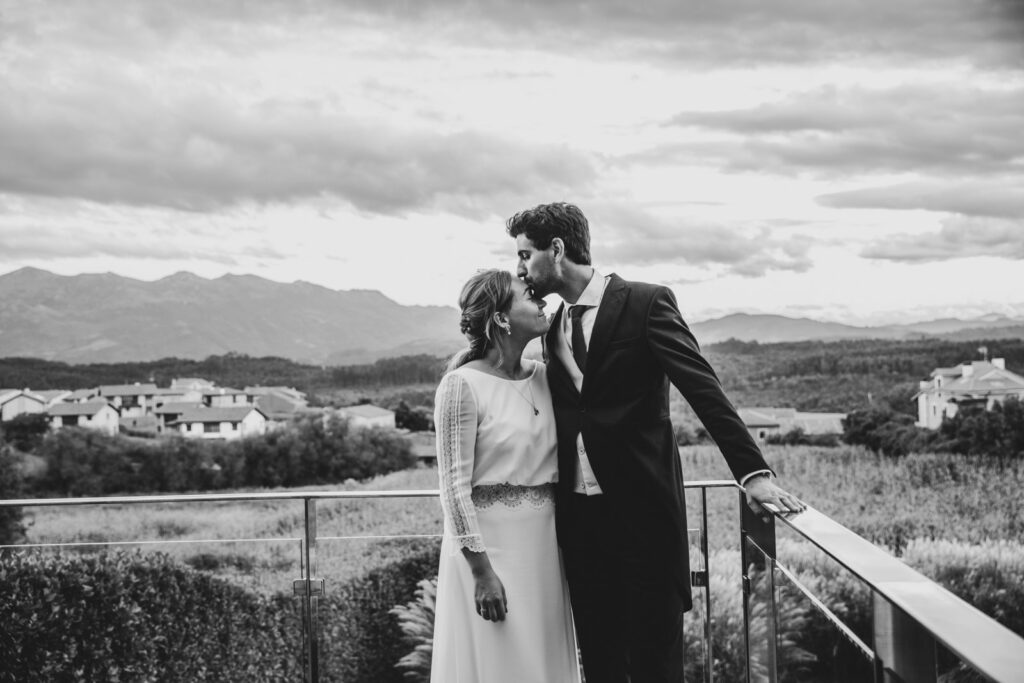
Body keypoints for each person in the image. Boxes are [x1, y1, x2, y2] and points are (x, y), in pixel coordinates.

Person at [507, 202, 806, 683]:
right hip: (581, 529)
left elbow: (703, 388)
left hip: (646, 520)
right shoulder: (552, 328)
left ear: (556, 250)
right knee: (601, 664)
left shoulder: (646, 303)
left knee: (655, 666)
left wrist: (753, 474)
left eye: (524, 255)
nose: (519, 268)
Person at [430, 269, 582, 683]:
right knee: (499, 661)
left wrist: (563, 354)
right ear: (500, 318)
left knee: (542, 660)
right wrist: (481, 572)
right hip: (490, 553)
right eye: (529, 296)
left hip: (546, 548)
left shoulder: (546, 377)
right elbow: (454, 491)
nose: (542, 302)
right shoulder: (461, 385)